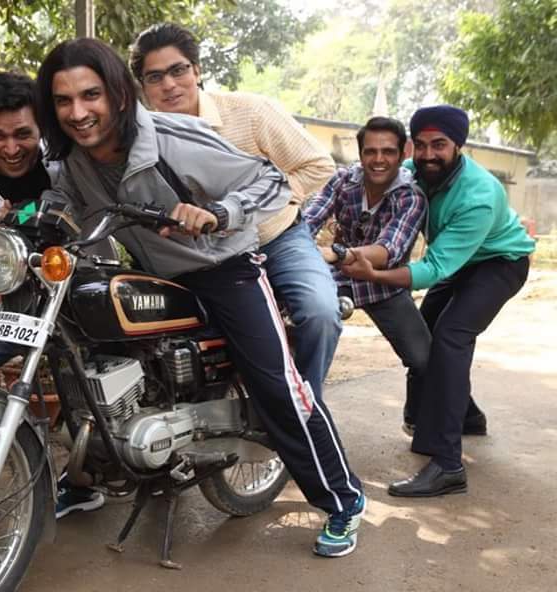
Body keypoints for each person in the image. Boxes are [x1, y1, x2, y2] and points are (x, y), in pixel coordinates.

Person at [35, 37, 365, 557]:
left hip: (225, 269)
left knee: (277, 386)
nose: (78, 113)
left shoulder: (172, 137)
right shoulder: (73, 160)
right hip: (154, 274)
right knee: (86, 356)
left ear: (118, 94)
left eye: (90, 95)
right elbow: (67, 204)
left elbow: (271, 181)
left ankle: (343, 500)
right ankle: (90, 475)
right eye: (63, 101)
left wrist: (219, 212)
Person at [128, 23, 341, 399]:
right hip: (199, 259)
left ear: (197, 70)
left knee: (320, 313)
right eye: (155, 77)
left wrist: (263, 202)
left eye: (178, 70)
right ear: (143, 86)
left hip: (277, 239)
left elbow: (318, 165)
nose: (169, 85)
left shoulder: (250, 111)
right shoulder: (138, 137)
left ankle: (305, 409)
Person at [342, 105, 535, 497]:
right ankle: (467, 416)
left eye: (440, 145)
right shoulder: (412, 172)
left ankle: (448, 465)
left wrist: (374, 275)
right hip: (458, 261)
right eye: (422, 145)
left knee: (450, 337)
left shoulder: (479, 194)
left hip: (499, 263)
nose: (429, 154)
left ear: (458, 145)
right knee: (425, 332)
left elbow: (433, 268)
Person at [0, 71, 105, 515]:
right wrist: (2, 240)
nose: (11, 148)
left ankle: (87, 479)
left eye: (23, 134)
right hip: (25, 302)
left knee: (90, 383)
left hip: (87, 289)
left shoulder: (65, 160)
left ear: (41, 129)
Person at [303, 116, 429, 428]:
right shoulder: (343, 180)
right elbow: (308, 221)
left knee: (424, 359)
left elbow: (388, 251)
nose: (378, 159)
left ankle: (424, 418)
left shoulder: (411, 196)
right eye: (370, 151)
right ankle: (302, 412)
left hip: (381, 284)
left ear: (403, 154)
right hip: (335, 278)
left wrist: (338, 252)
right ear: (360, 154)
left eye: (388, 152)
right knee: (307, 331)